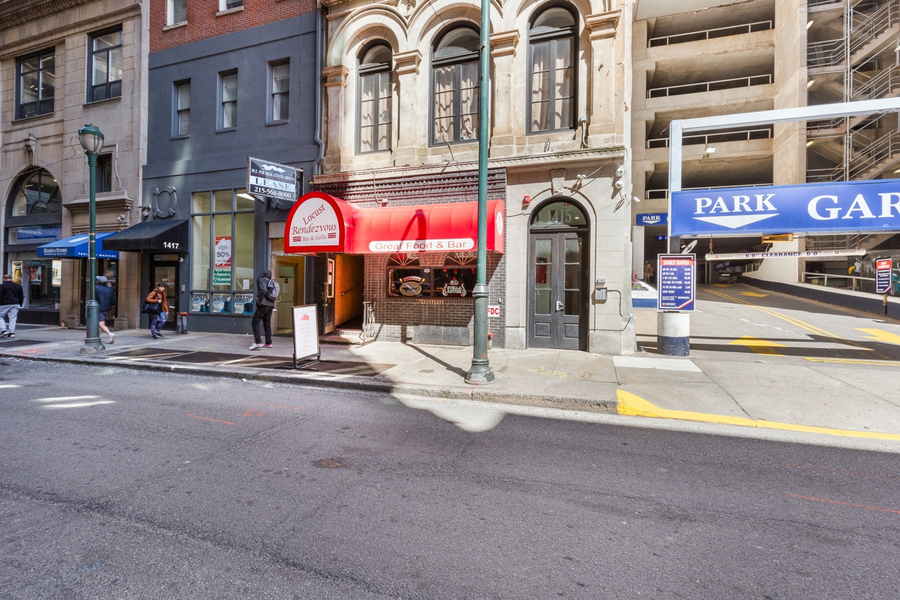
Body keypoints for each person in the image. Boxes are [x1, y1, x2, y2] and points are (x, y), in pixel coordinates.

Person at [250, 269, 278, 350]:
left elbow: (263, 290)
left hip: (263, 305)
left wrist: (258, 297)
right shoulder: (271, 282)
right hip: (270, 305)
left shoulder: (262, 280)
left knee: (255, 322)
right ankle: (269, 342)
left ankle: (258, 342)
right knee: (267, 323)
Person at [0, 273, 24, 339]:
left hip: (4, 303)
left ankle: (3, 330)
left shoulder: (2, 286)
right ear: (10, 278)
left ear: (4, 279)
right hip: (15, 303)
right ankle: (11, 333)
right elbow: (21, 296)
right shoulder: (18, 286)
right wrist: (20, 304)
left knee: (0, 316)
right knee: (13, 318)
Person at [95, 275, 116, 344]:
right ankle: (97, 338)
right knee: (100, 323)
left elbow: (93, 298)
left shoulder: (96, 288)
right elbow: (113, 300)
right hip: (107, 308)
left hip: (98, 308)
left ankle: (110, 334)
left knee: (100, 323)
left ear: (98, 282)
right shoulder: (110, 289)